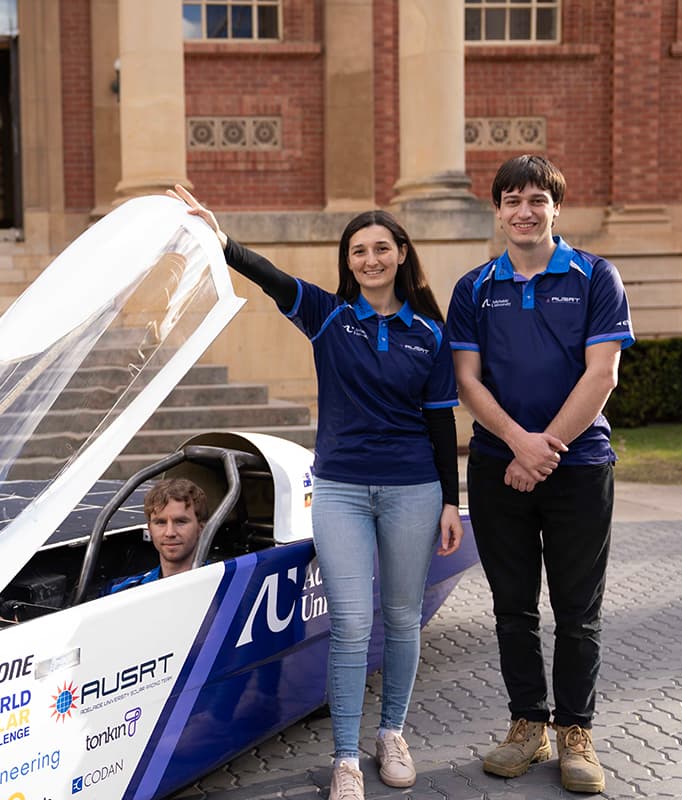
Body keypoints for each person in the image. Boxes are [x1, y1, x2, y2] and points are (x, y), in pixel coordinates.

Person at [171, 185, 463, 800]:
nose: (371, 259)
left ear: (403, 254)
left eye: (382, 248)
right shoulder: (329, 315)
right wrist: (220, 241)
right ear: (348, 260)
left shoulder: (431, 335)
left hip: (414, 489)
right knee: (353, 621)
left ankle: (393, 734)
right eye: (359, 250)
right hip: (342, 491)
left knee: (403, 618)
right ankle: (347, 759)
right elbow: (272, 278)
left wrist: (448, 500)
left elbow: (441, 421)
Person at [445, 155, 633, 794]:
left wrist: (543, 450)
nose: (524, 211)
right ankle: (528, 724)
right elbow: (467, 381)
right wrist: (518, 447)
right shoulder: (473, 288)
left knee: (578, 611)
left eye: (536, 199)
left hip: (579, 469)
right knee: (512, 609)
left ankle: (577, 731)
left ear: (557, 207)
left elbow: (601, 374)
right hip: (501, 470)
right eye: (511, 200)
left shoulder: (595, 277)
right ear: (496, 210)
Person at [107, 477, 208, 593]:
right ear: (150, 529)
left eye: (181, 522)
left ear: (201, 528)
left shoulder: (224, 584)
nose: (170, 533)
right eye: (161, 522)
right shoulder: (121, 592)